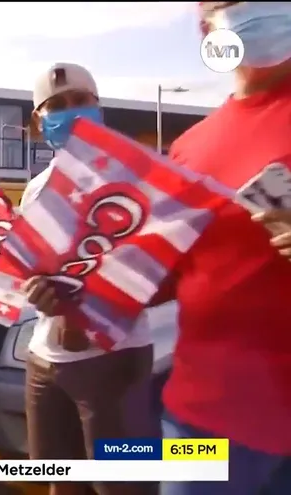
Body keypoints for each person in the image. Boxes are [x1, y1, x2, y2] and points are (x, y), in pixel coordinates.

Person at [155, 4, 291, 494]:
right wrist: (76, 285)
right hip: (200, 422)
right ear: (205, 28)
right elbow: (168, 274)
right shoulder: (188, 148)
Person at [20, 63, 159, 495]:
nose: (71, 111)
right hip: (44, 363)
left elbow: (153, 270)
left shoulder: (136, 176)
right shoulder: (36, 189)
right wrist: (34, 291)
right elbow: (35, 270)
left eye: (81, 100)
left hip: (112, 362)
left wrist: (79, 313)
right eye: (56, 105)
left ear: (99, 108)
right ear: (39, 125)